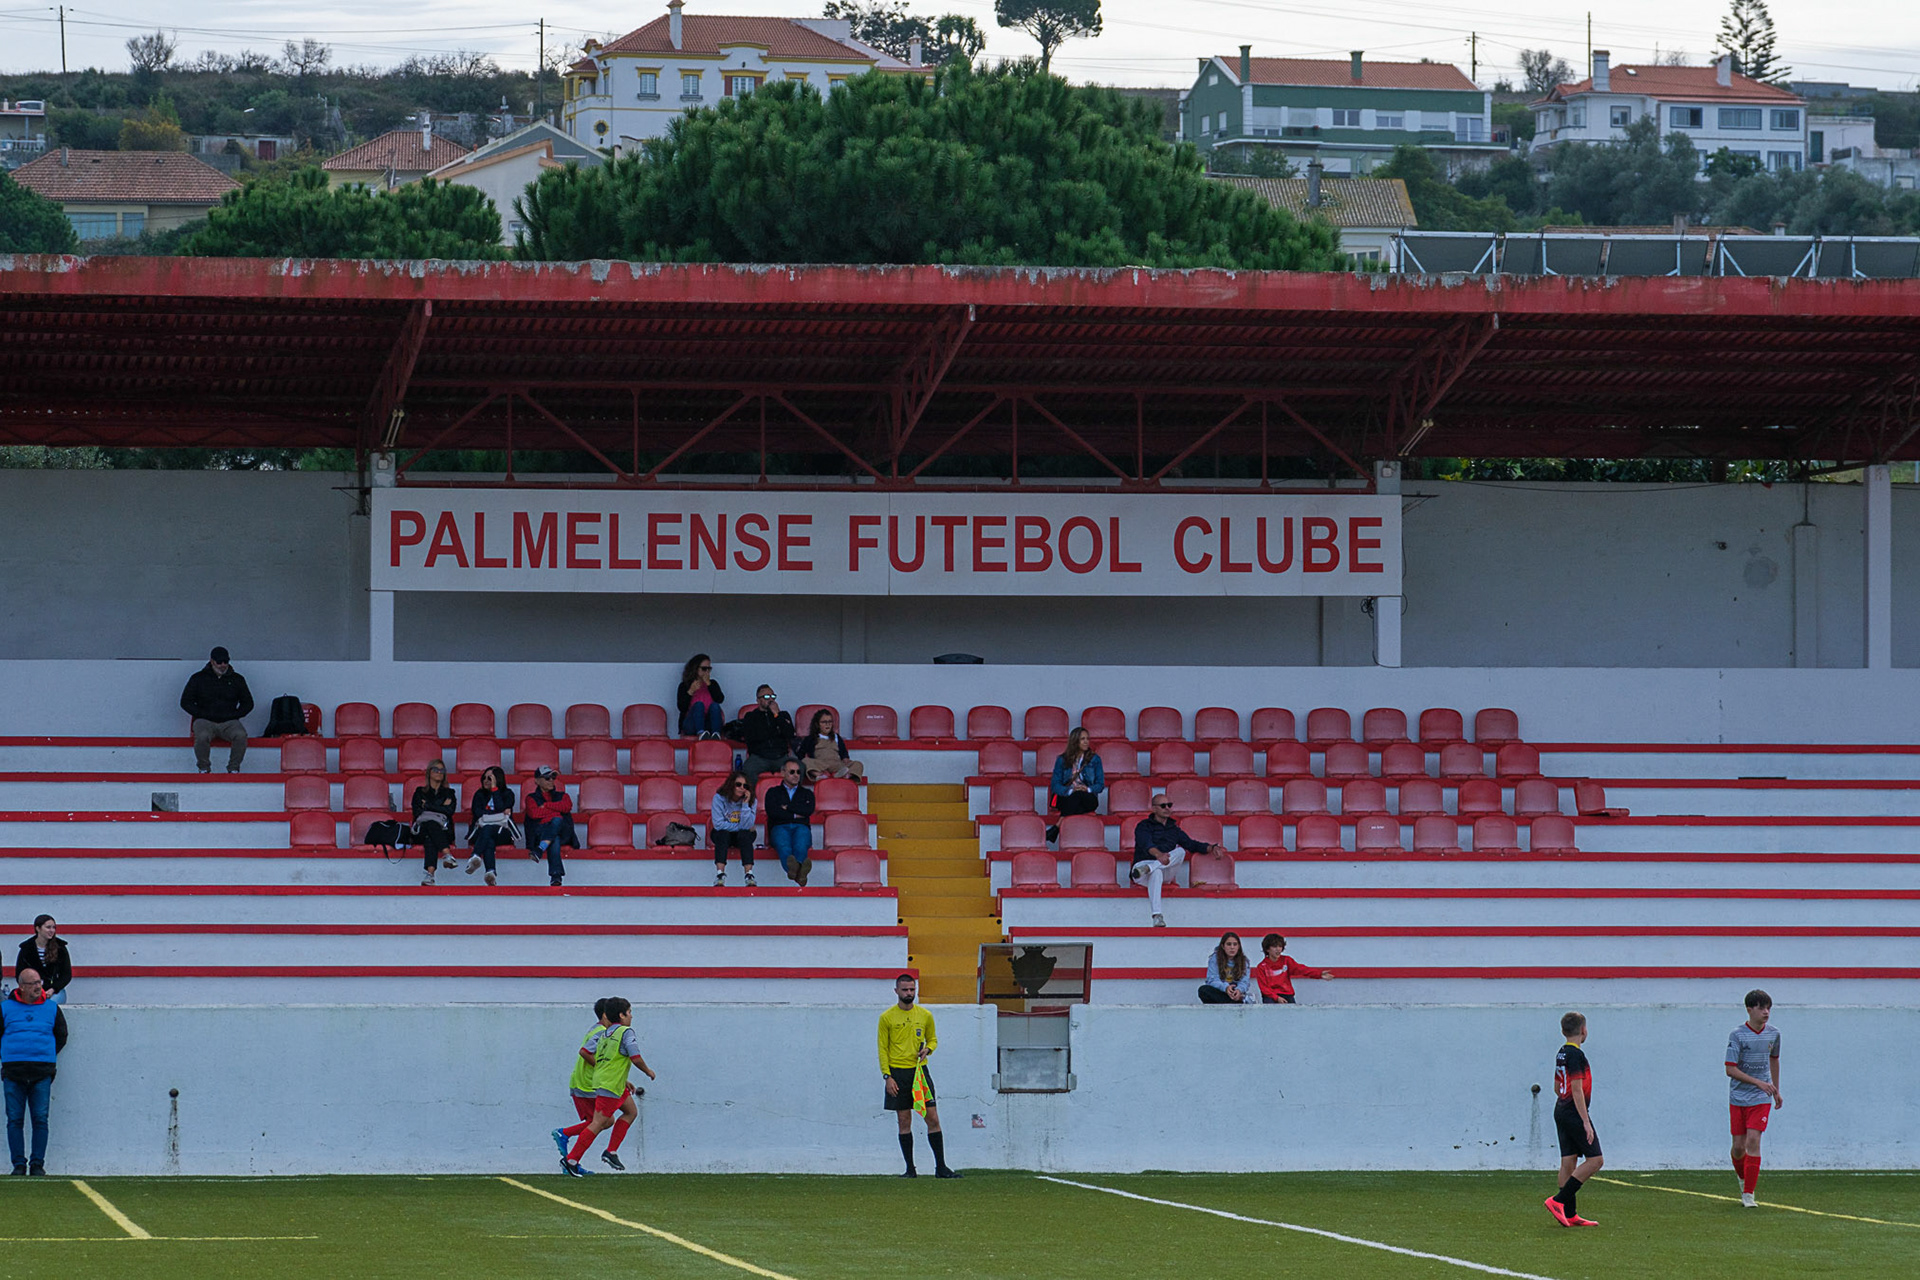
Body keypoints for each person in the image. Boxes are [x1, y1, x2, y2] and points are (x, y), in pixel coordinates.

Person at [558, 996, 654, 1177]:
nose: (631, 1016)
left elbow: (600, 1058)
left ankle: (611, 1151)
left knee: (630, 1112)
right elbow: (635, 1057)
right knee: (598, 1123)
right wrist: (648, 1071)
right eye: (629, 1012)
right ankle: (571, 1160)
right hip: (610, 1085)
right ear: (621, 1015)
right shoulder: (626, 1032)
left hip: (609, 1083)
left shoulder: (604, 1033)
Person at [877, 973, 959, 1179]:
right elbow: (882, 1049)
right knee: (904, 1120)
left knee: (932, 1118)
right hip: (897, 1073)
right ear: (896, 991)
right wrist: (887, 1076)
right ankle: (910, 1169)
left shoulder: (925, 1015)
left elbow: (933, 1039)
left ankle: (941, 1168)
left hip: (919, 1073)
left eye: (912, 989)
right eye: (905, 990)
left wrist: (928, 1049)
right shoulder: (886, 1017)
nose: (909, 993)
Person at [0, 966, 67, 1176]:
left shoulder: (52, 1008)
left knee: (40, 1119)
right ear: (21, 987)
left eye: (39, 982)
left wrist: (45, 1054)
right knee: (14, 1119)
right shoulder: (5, 1008)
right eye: (33, 984)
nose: (38, 987)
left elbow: (61, 1035)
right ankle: (18, 1165)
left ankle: (37, 1164)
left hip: (42, 1071)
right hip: (13, 1071)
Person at [1130, 794, 1224, 928]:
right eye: (1163, 806)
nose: (1167, 808)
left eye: (1169, 805)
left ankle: (1150, 868)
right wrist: (1159, 855)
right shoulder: (1143, 826)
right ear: (1154, 808)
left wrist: (1212, 847)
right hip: (1142, 868)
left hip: (1160, 869)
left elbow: (1191, 844)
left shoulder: (1174, 829)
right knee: (1157, 873)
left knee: (1180, 851)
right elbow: (1146, 844)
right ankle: (1157, 915)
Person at [1545, 1010, 1603, 1227]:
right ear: (1583, 1030)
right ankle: (1558, 1201)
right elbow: (1576, 1089)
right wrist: (1585, 1121)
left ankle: (1569, 1214)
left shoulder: (1561, 1052)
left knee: (1568, 1162)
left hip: (1561, 1109)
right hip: (1573, 1112)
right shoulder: (1576, 1055)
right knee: (1596, 1160)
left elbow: (1557, 1086)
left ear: (1563, 1031)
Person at [1726, 989, 1783, 1209]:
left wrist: (1775, 1090)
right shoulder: (1737, 1035)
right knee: (1738, 1148)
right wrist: (1758, 1082)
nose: (1766, 1012)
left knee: (1753, 1141)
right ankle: (1743, 1179)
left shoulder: (1774, 1034)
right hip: (1739, 1096)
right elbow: (1730, 1069)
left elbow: (1774, 1060)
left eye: (1768, 1008)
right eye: (1761, 1008)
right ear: (1750, 1010)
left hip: (1761, 1097)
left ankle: (1749, 1194)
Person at [179, 645, 254, 774]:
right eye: (219, 662)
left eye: (226, 661)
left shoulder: (237, 679)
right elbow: (185, 701)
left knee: (241, 735)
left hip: (229, 722)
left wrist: (235, 715)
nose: (223, 665)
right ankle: (204, 767)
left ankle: (234, 768)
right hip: (204, 720)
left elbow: (248, 703)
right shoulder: (198, 678)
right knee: (202, 736)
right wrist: (201, 714)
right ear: (212, 661)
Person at [1046, 727, 1105, 845]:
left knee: (1079, 794)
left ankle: (1057, 826)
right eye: (1082, 739)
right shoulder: (1062, 760)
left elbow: (1100, 785)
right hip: (1067, 796)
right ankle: (1055, 829)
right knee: (1075, 796)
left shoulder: (1095, 759)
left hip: (1087, 797)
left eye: (1087, 738)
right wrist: (1070, 790)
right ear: (1075, 741)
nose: (1086, 742)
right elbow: (1055, 785)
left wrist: (1087, 789)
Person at [764, 760, 816, 887]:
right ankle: (800, 874)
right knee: (784, 846)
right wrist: (796, 814)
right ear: (783, 773)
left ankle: (794, 871)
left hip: (801, 827)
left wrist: (787, 808)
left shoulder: (807, 793)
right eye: (792, 772)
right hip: (779, 827)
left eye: (798, 772)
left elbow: (808, 811)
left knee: (801, 845)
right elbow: (773, 812)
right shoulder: (772, 792)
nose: (796, 775)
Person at [525, 766, 578, 888]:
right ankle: (556, 876)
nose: (551, 780)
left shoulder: (563, 795)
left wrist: (547, 806)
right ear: (537, 781)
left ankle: (540, 849)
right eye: (547, 778)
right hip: (541, 833)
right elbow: (534, 813)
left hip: (563, 832)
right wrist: (556, 811)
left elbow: (566, 807)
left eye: (553, 777)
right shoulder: (531, 798)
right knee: (555, 835)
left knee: (557, 821)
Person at [464, 765, 516, 887]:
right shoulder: (479, 794)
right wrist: (498, 814)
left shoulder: (508, 794)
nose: (486, 781)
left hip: (502, 832)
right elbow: (477, 812)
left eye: (490, 778)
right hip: (481, 831)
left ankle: (476, 855)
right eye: (484, 778)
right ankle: (490, 872)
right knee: (489, 839)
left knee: (488, 831)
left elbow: (500, 807)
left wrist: (494, 790)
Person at [412, 760, 459, 887]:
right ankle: (447, 854)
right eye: (436, 770)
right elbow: (417, 812)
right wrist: (440, 807)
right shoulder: (419, 792)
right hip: (421, 830)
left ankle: (430, 875)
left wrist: (427, 805)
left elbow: (450, 811)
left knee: (430, 834)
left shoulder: (450, 793)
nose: (439, 773)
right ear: (429, 772)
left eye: (442, 770)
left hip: (444, 830)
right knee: (430, 824)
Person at [1251, 933, 1334, 1004]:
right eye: (1275, 946)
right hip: (1270, 997)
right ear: (1267, 949)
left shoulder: (1286, 960)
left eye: (1280, 946)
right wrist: (1276, 998)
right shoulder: (1261, 967)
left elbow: (1301, 969)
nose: (1278, 949)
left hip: (1287, 994)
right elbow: (1264, 988)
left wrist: (1319, 974)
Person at [739, 685, 797, 786]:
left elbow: (790, 734)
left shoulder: (783, 715)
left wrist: (777, 716)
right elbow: (752, 738)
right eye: (766, 697)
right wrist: (774, 730)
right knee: (748, 770)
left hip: (781, 756)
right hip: (759, 757)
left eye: (772, 696)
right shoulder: (751, 717)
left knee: (799, 768)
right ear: (758, 700)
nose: (770, 699)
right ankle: (752, 796)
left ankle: (793, 795)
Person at [710, 770, 758, 888]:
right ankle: (720, 874)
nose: (742, 788)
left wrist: (745, 805)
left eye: (745, 786)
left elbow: (747, 825)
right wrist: (739, 827)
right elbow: (718, 825)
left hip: (741, 835)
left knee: (745, 835)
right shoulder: (719, 798)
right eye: (738, 784)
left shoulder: (752, 800)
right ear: (731, 784)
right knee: (723, 834)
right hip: (723, 833)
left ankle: (749, 874)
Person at [797, 709, 863, 782]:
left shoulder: (836, 737)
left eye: (830, 722)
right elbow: (801, 754)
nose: (827, 724)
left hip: (836, 764)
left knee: (858, 764)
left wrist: (845, 758)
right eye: (824, 722)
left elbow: (843, 752)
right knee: (805, 761)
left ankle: (846, 775)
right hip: (820, 765)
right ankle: (819, 775)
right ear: (817, 724)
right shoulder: (810, 738)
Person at [14, 917, 70, 999]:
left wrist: (53, 989)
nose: (52, 930)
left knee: (51, 1003)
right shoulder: (26, 948)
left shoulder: (60, 948)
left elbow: (66, 975)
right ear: (38, 928)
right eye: (48, 927)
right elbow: (20, 974)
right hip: (31, 990)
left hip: (54, 990)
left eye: (53, 927)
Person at [1197, 931, 1259, 1005]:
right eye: (1229, 944)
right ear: (1223, 946)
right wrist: (1226, 988)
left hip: (1235, 992)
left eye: (1235, 944)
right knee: (1203, 990)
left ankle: (1236, 1000)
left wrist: (1239, 990)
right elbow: (1212, 980)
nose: (1232, 947)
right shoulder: (1215, 959)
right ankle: (1235, 1002)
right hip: (1221, 991)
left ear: (1238, 946)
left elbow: (1244, 982)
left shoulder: (1244, 961)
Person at [677, 654, 726, 740]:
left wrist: (709, 685)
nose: (707, 672)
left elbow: (720, 699)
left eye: (709, 669)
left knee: (715, 705)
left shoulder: (713, 684)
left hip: (709, 723)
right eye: (704, 669)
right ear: (695, 668)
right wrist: (691, 691)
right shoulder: (685, 685)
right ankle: (701, 734)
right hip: (691, 724)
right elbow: (682, 708)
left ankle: (716, 734)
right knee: (699, 705)